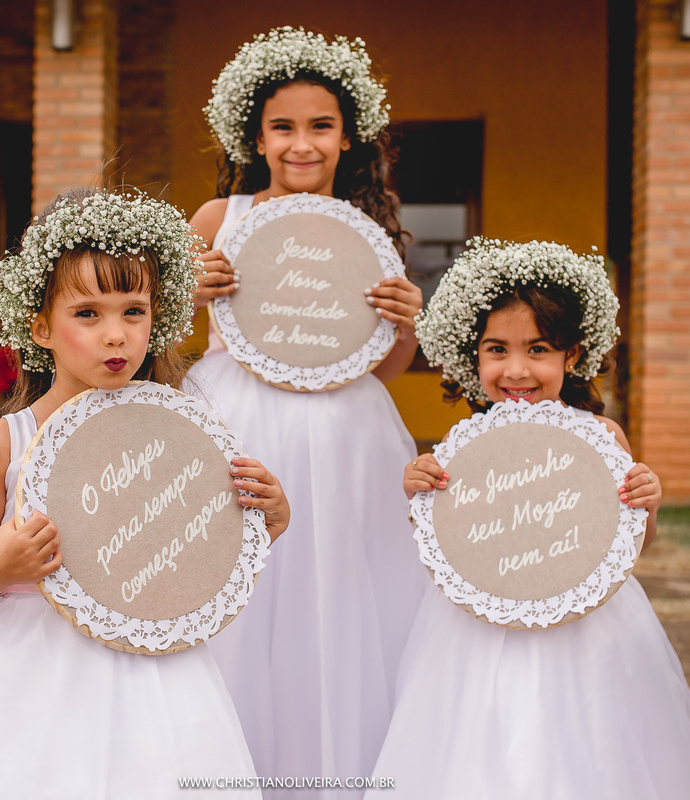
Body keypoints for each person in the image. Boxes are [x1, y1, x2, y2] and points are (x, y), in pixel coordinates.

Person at [0, 189, 290, 799]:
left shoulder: (179, 433)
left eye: (133, 311)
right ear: (40, 328)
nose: (116, 336)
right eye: (87, 314)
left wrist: (268, 521)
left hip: (155, 672)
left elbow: (195, 555)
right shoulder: (3, 442)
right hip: (29, 680)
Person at [372, 239, 690, 798]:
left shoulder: (602, 439)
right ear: (474, 358)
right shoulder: (460, 452)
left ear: (573, 356)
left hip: (590, 628)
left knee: (593, 746)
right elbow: (445, 543)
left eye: (538, 349)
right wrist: (420, 492)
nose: (517, 370)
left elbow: (633, 545)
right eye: (497, 350)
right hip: (474, 629)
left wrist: (645, 501)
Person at [184, 27, 428, 793]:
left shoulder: (369, 234)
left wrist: (406, 319)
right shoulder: (218, 219)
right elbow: (150, 334)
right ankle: (225, 765)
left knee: (346, 585)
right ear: (255, 138)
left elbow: (383, 368)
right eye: (283, 127)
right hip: (239, 418)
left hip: (350, 431)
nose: (301, 144)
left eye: (319, 126)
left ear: (346, 136)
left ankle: (345, 769)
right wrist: (190, 293)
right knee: (242, 583)